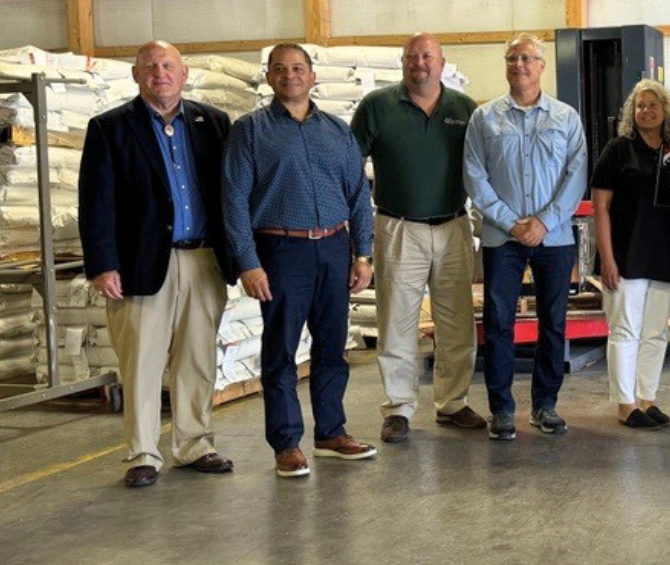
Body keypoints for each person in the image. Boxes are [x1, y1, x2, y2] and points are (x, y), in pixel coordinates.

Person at [79, 41, 237, 488]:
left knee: (197, 358)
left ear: (184, 74)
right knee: (142, 361)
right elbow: (96, 203)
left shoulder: (214, 124)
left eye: (168, 65)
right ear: (136, 76)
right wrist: (103, 264)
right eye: (150, 66)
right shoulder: (110, 128)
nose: (160, 73)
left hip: (204, 258)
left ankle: (194, 444)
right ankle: (142, 453)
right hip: (142, 264)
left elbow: (230, 194)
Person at [222, 43, 376, 478]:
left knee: (332, 346)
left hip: (332, 247)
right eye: (280, 69)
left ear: (312, 77)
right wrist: (249, 263)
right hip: (280, 250)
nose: (290, 75)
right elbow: (233, 200)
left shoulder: (336, 131)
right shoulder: (250, 131)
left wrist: (362, 253)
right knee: (281, 351)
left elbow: (358, 196)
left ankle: (331, 433)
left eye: (298, 68)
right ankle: (286, 443)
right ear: (268, 77)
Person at [351, 33, 485, 442]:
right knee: (396, 321)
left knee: (457, 320)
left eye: (428, 56)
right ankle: (398, 408)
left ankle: (453, 403)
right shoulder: (377, 107)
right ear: (402, 62)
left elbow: (481, 165)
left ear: (443, 63)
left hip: (452, 226)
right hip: (397, 226)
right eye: (412, 57)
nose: (420, 63)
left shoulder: (464, 109)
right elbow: (348, 164)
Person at [463, 34, 587, 441]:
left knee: (553, 323)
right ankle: (501, 409)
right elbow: (474, 176)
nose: (520, 64)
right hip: (503, 238)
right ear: (506, 64)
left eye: (528, 58)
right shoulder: (484, 118)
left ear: (542, 65)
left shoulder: (566, 117)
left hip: (553, 238)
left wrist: (544, 222)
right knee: (499, 324)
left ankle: (545, 406)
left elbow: (576, 175)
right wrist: (512, 222)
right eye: (513, 57)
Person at [591, 80, 670, 430]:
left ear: (665, 111)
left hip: (665, 253)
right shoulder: (617, 150)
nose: (646, 110)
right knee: (624, 330)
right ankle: (625, 404)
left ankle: (648, 398)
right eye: (640, 105)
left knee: (656, 332)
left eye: (653, 105)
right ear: (632, 111)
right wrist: (608, 259)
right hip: (627, 254)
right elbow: (600, 208)